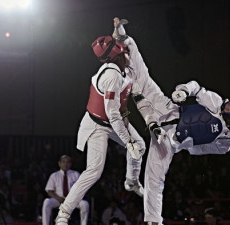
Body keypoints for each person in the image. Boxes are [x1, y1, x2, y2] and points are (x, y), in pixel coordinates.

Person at [112, 18, 230, 225]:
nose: (229, 105)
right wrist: (184, 90)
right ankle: (125, 38)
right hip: (169, 109)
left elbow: (201, 148)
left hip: (171, 140)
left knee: (154, 179)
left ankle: (153, 222)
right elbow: (197, 88)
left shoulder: (227, 141)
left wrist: (183, 143)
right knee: (143, 78)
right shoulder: (216, 102)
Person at [55, 30, 146, 225]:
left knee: (140, 145)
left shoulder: (124, 68)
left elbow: (121, 110)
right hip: (98, 125)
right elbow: (112, 114)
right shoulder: (111, 77)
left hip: (117, 119)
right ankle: (64, 212)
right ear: (115, 57)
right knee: (94, 170)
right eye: (123, 53)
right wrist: (127, 141)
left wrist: (118, 34)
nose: (127, 55)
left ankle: (131, 181)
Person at [42, 155, 89, 225]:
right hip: (58, 199)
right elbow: (49, 191)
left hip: (72, 200)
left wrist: (73, 198)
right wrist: (58, 198)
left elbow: (81, 189)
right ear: (59, 164)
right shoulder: (54, 175)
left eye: (68, 162)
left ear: (70, 164)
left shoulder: (76, 174)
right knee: (47, 202)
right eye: (63, 162)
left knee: (85, 204)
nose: (65, 164)